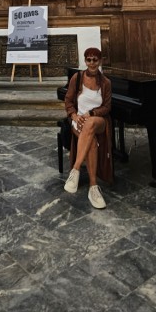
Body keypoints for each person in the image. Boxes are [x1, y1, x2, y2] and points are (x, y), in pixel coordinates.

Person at [63, 47, 113, 208]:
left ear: (100, 61)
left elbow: (107, 107)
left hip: (98, 121)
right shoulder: (77, 78)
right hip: (78, 120)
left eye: (95, 60)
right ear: (85, 61)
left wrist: (91, 113)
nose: (92, 63)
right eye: (89, 60)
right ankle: (93, 187)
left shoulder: (106, 82)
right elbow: (68, 101)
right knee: (90, 142)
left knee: (90, 123)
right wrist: (74, 116)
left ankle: (75, 169)